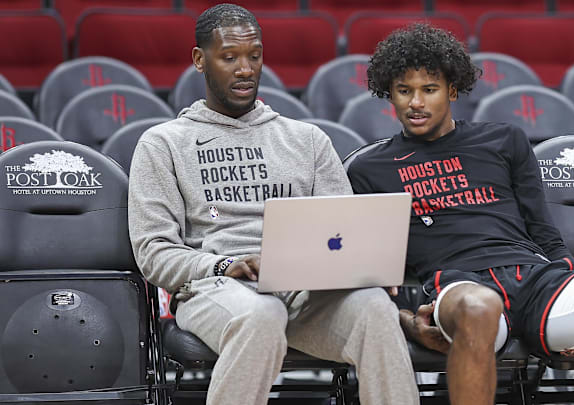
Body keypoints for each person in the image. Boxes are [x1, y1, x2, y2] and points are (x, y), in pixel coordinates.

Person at [346, 23, 574, 405]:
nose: (415, 103)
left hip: (538, 280)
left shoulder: (504, 140)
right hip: (460, 285)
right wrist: (405, 320)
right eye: (404, 91)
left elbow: (545, 233)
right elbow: (368, 271)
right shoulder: (370, 168)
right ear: (389, 95)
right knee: (480, 307)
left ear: (452, 90)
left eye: (429, 90)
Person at [127, 4, 419, 405]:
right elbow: (153, 253)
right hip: (216, 288)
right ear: (200, 60)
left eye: (254, 56)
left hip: (306, 295)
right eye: (229, 57)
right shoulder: (164, 144)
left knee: (375, 310)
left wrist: (360, 268)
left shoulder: (307, 139)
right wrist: (224, 264)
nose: (245, 69)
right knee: (261, 315)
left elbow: (344, 233)